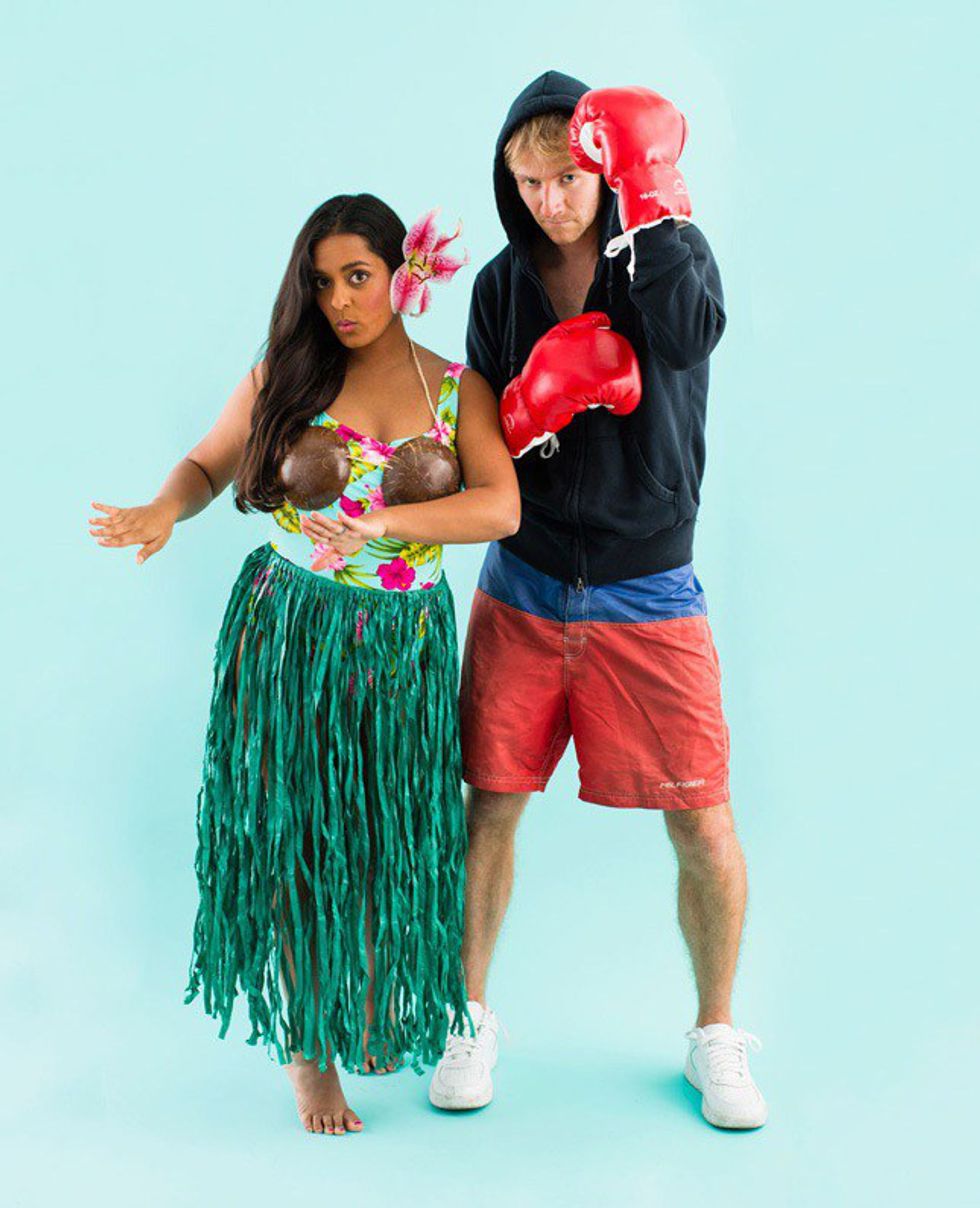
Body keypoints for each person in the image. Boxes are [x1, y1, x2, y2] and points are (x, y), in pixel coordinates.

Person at [89, 194, 520, 1136]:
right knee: (302, 837)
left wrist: (384, 520)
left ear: (405, 273)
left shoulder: (457, 391)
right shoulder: (282, 377)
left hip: (402, 645)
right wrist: (164, 508)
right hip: (292, 633)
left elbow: (500, 507)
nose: (339, 301)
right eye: (321, 283)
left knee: (382, 837)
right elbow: (206, 467)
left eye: (358, 277)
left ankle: (358, 1002)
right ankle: (309, 1052)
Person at [427, 71, 768, 1130]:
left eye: (567, 180)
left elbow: (691, 336)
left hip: (647, 587)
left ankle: (716, 1032)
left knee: (700, 815)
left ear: (606, 167)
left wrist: (651, 213)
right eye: (528, 184)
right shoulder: (500, 285)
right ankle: (466, 1015)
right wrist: (531, 407)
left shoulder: (670, 249)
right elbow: (475, 437)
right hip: (524, 581)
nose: (549, 202)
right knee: (489, 803)